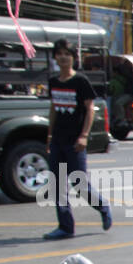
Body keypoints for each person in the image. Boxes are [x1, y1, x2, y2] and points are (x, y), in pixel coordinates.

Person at [43, 38, 112, 240]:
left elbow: (90, 109)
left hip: (75, 141)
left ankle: (102, 206)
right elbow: (54, 108)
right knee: (57, 184)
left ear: (73, 58)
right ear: (55, 57)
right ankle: (65, 226)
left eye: (67, 54)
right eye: (60, 53)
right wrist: (49, 134)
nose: (63, 57)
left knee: (79, 183)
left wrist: (84, 136)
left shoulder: (80, 81)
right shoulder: (53, 82)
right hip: (57, 140)